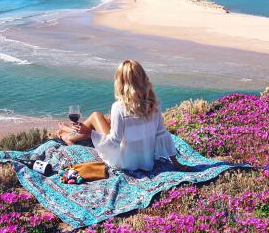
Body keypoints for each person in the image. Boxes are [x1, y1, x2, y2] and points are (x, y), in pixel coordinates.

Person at [57, 59, 193, 172]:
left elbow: (113, 143)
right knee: (107, 122)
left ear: (121, 82)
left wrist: (91, 133)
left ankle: (70, 135)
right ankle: (70, 131)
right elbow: (162, 135)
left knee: (96, 116)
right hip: (146, 162)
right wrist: (177, 164)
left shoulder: (119, 107)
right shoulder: (154, 105)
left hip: (123, 162)